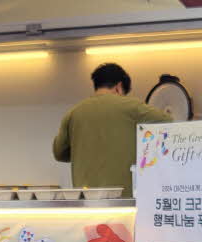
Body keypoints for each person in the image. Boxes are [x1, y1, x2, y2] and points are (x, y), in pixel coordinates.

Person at [52, 63, 173, 197]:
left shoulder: (73, 113)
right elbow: (169, 122)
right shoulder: (132, 107)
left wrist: (82, 150)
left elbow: (59, 153)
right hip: (124, 199)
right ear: (119, 87)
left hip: (85, 199)